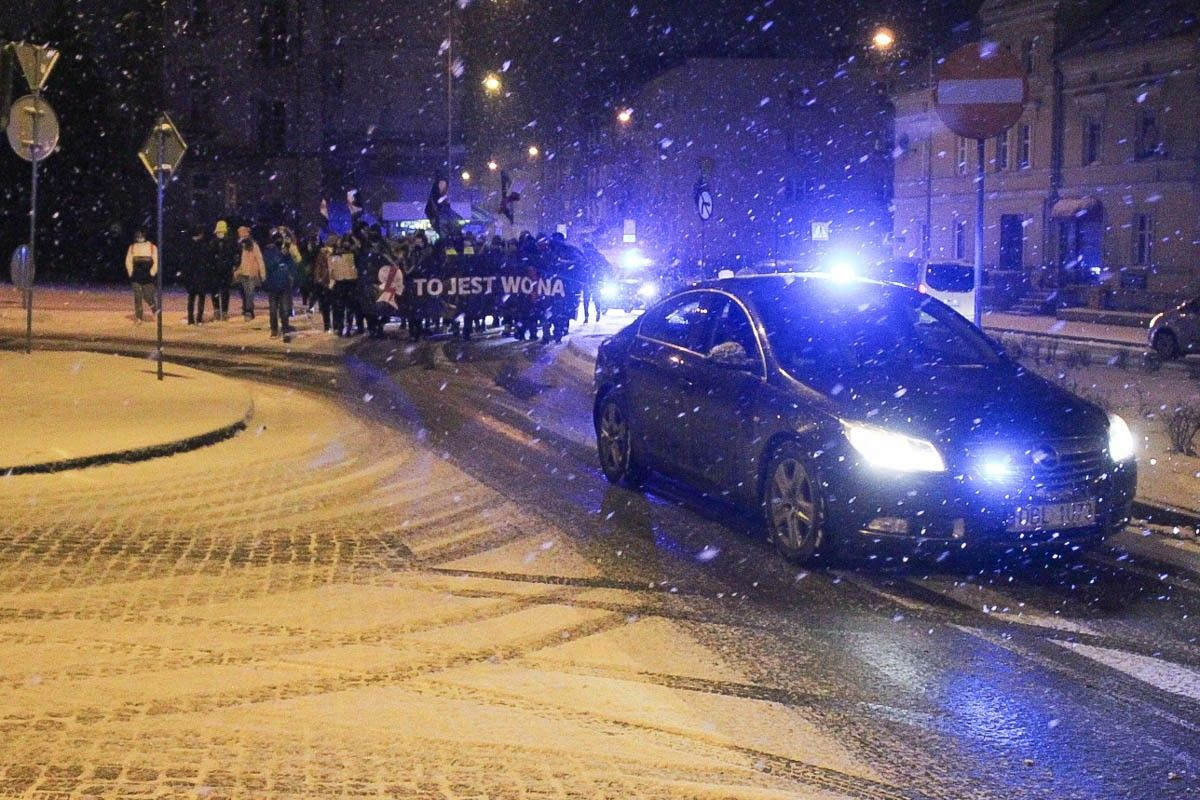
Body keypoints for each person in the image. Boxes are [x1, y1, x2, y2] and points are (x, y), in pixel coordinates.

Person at [262, 233, 296, 338]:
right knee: (273, 310)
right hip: (273, 285)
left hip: (284, 285)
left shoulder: (285, 252)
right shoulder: (269, 252)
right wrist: (280, 257)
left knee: (284, 309)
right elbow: (269, 265)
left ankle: (285, 328)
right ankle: (274, 329)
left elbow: (292, 266)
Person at [124, 228, 158, 322]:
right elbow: (128, 261)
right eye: (138, 236)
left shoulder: (152, 247)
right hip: (136, 275)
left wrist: (152, 272)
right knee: (137, 296)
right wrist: (131, 272)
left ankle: (155, 309)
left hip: (148, 275)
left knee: (148, 295)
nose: (139, 238)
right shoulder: (132, 247)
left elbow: (156, 261)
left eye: (141, 236)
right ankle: (139, 317)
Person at [233, 225, 265, 319]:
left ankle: (249, 310)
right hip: (241, 272)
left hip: (251, 272)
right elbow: (237, 259)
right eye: (239, 233)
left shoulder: (253, 245)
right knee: (244, 292)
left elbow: (259, 259)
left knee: (249, 292)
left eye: (242, 232)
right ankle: (247, 308)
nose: (240, 234)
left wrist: (262, 273)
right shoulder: (238, 245)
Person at [208, 220, 237, 320]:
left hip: (225, 270)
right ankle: (216, 309)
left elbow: (234, 255)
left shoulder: (230, 242)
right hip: (215, 270)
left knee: (225, 291)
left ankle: (224, 311)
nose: (220, 234)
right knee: (215, 290)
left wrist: (232, 265)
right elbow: (210, 256)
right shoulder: (213, 242)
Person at [181, 226, 209, 325]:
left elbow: (186, 262)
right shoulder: (203, 246)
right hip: (200, 275)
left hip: (192, 276)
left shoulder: (188, 246)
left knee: (192, 298)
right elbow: (206, 261)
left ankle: (191, 319)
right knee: (200, 297)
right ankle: (199, 319)